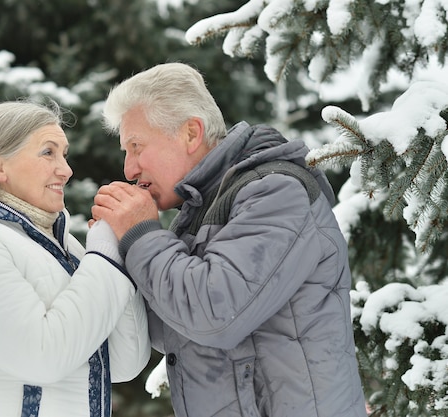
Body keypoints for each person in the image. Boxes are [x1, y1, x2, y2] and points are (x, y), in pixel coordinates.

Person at [91, 63, 367, 417]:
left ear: (191, 133)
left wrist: (141, 234)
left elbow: (214, 315)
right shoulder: (200, 210)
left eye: (136, 146)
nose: (129, 170)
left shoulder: (276, 191)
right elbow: (168, 330)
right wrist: (112, 251)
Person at [0, 99, 150, 417]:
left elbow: (124, 363)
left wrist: (117, 254)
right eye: (48, 152)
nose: (66, 170)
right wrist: (105, 257)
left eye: (64, 154)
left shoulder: (65, 245)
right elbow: (42, 359)